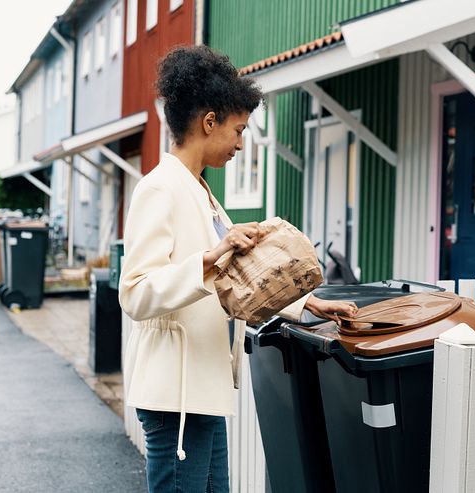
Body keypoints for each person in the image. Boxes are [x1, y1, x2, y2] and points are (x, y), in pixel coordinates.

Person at [118, 45, 358, 493]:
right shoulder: (160, 189)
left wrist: (312, 304)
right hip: (176, 394)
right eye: (238, 129)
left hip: (201, 388)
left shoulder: (202, 193)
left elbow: (242, 281)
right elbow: (134, 292)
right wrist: (207, 260)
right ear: (209, 122)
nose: (240, 143)